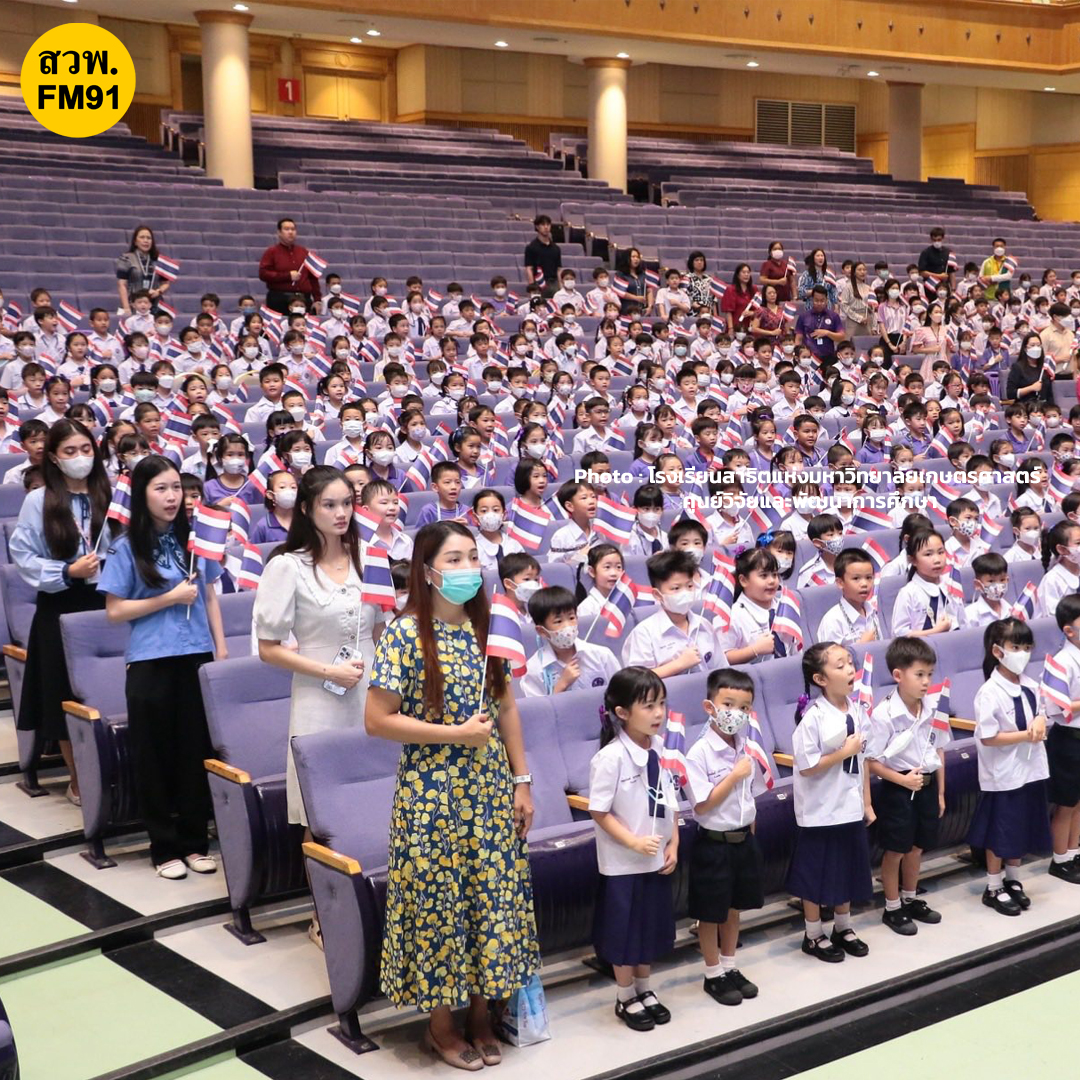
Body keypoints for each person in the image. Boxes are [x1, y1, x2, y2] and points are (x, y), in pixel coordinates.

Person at [366, 522, 538, 1068]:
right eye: (454, 560)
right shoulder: (404, 634)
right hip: (431, 793)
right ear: (427, 571)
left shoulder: (490, 627)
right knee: (439, 905)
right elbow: (377, 720)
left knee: (491, 899)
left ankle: (481, 1016)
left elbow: (506, 706)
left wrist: (522, 780)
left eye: (472, 558)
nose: (467, 569)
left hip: (490, 789)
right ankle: (440, 1026)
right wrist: (455, 734)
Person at [98, 456, 227, 879]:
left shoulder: (195, 540)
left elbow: (210, 596)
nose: (173, 497)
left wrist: (221, 650)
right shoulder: (126, 546)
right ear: (142, 494)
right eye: (161, 489)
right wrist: (168, 599)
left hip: (197, 655)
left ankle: (195, 842)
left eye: (177, 488)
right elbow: (115, 611)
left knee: (195, 751)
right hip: (151, 660)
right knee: (154, 756)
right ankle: (163, 847)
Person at [254, 468, 369, 841]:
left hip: (370, 690)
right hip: (318, 695)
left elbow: (383, 630)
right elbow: (268, 649)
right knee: (321, 813)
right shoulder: (287, 566)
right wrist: (329, 672)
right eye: (329, 505)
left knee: (372, 796)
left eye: (347, 503)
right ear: (306, 509)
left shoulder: (368, 556)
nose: (341, 513)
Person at [10, 419, 111, 806]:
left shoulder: (109, 494)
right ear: (53, 457)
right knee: (65, 697)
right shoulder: (39, 500)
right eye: (70, 451)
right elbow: (24, 556)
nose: (80, 458)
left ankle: (116, 773)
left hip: (106, 603)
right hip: (62, 605)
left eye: (85, 449)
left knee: (107, 692)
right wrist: (67, 572)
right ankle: (78, 779)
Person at [589, 667, 678, 1031]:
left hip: (655, 857)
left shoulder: (660, 749)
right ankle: (625, 995)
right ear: (622, 712)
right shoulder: (610, 758)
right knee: (624, 933)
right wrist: (633, 842)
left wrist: (674, 842)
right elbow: (599, 811)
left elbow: (669, 801)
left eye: (662, 704)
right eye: (649, 706)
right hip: (624, 863)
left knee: (649, 927)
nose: (659, 713)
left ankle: (645, 988)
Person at [788, 642, 874, 962]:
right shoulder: (813, 717)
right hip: (821, 810)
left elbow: (863, 759)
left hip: (849, 805)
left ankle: (843, 927)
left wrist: (866, 802)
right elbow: (807, 765)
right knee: (816, 874)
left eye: (850, 663)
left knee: (847, 868)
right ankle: (813, 934)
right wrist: (842, 753)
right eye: (840, 666)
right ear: (820, 679)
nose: (850, 669)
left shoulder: (858, 709)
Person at [685, 668, 765, 1007]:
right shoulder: (699, 753)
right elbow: (702, 804)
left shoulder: (748, 748)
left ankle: (730, 966)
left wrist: (751, 834)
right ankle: (712, 972)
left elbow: (751, 798)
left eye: (743, 707)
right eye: (728, 704)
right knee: (711, 913)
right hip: (713, 844)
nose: (736, 713)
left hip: (742, 840)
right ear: (710, 707)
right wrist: (733, 775)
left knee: (734, 908)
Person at [969, 618, 1053, 914]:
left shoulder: (1030, 684)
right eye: (1015, 647)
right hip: (1003, 774)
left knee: (1021, 826)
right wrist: (1026, 735)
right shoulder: (989, 691)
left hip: (1031, 770)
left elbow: (1042, 711)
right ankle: (993, 886)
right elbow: (988, 737)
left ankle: (1013, 879)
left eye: (1027, 647)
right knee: (1001, 831)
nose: (1023, 653)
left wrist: (1040, 720)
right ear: (998, 651)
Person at [866, 637, 947, 936]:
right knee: (896, 851)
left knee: (916, 848)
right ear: (898, 675)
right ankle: (892, 907)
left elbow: (939, 749)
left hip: (926, 785)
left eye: (930, 674)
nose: (926, 682)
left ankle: (910, 899)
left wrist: (940, 792)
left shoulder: (933, 707)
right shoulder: (884, 714)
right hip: (898, 788)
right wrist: (902, 780)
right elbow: (871, 762)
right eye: (919, 674)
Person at [1041, 594, 1080, 884]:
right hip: (1068, 739)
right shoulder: (1061, 662)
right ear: (1069, 630)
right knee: (1066, 803)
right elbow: (1056, 707)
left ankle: (1074, 851)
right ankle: (1060, 859)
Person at [258, 217, 320, 315]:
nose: (290, 232)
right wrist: (287, 276)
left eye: (293, 229)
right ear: (279, 232)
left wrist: (317, 299)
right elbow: (263, 274)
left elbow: (313, 277)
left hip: (303, 299)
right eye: (286, 229)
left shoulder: (303, 252)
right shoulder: (271, 252)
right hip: (280, 299)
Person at [116, 224, 171, 315]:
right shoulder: (126, 258)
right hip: (133, 304)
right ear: (135, 241)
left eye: (149, 238)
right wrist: (126, 308)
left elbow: (166, 283)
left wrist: (158, 291)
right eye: (142, 237)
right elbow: (122, 285)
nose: (146, 240)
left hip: (154, 306)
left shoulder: (158, 260)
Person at [523, 214, 562, 296]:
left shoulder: (556, 248)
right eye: (543, 224)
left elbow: (559, 269)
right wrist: (532, 287)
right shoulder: (531, 247)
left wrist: (561, 287)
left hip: (554, 283)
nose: (546, 227)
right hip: (538, 283)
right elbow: (529, 268)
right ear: (537, 227)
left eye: (548, 224)